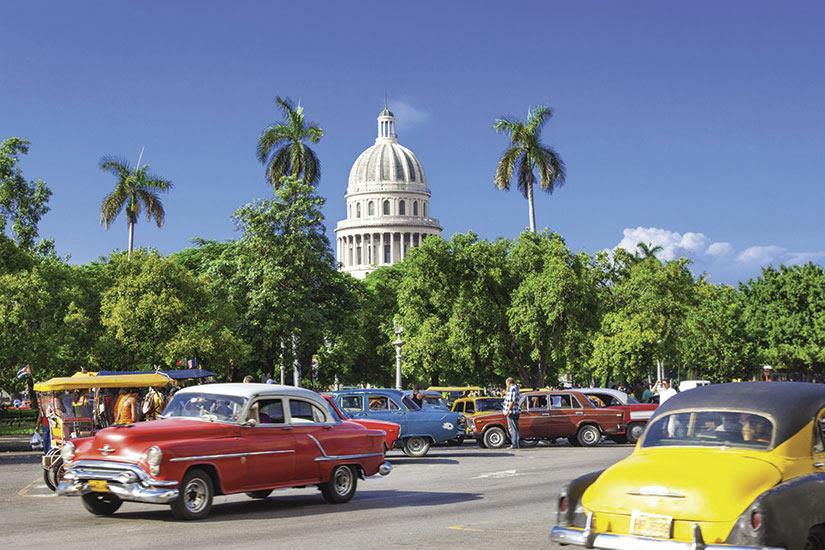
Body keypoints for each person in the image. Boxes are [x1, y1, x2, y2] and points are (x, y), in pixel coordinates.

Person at [502, 377, 521, 449]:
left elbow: (511, 401)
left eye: (506, 383)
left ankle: (514, 444)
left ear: (508, 382)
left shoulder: (512, 388)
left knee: (513, 429)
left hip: (512, 411)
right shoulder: (516, 388)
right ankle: (516, 443)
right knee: (515, 428)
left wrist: (507, 411)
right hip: (514, 411)